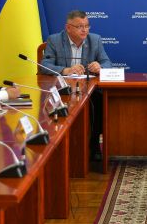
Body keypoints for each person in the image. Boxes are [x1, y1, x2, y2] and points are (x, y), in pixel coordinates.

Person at [41, 10, 112, 162]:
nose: (84, 30)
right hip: (62, 90)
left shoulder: (95, 40)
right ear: (68, 28)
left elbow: (107, 63)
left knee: (99, 101)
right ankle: (59, 148)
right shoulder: (55, 40)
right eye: (80, 26)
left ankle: (94, 145)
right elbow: (44, 65)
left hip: (88, 90)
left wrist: (100, 67)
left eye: (87, 26)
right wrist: (65, 70)